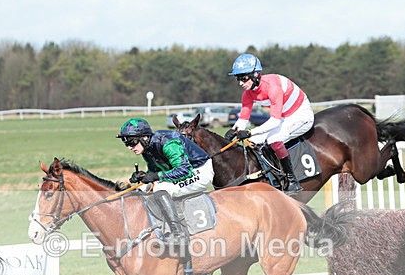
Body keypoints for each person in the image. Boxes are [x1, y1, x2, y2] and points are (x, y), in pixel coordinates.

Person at [225, 53, 314, 194]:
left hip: (301, 115)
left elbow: (274, 121)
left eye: (243, 78)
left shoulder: (272, 87)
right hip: (285, 117)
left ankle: (292, 180)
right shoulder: (248, 93)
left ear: (255, 74)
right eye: (238, 79)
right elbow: (243, 119)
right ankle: (268, 176)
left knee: (273, 139)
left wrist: (250, 132)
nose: (240, 83)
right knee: (253, 141)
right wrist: (233, 131)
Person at [117, 118, 214, 248]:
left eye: (132, 142)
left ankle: (179, 235)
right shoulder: (147, 148)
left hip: (199, 170)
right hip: (184, 170)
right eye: (126, 144)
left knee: (161, 189)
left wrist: (157, 176)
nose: (130, 147)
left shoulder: (168, 143)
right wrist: (143, 176)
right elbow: (155, 171)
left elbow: (184, 170)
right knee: (143, 188)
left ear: (145, 137)